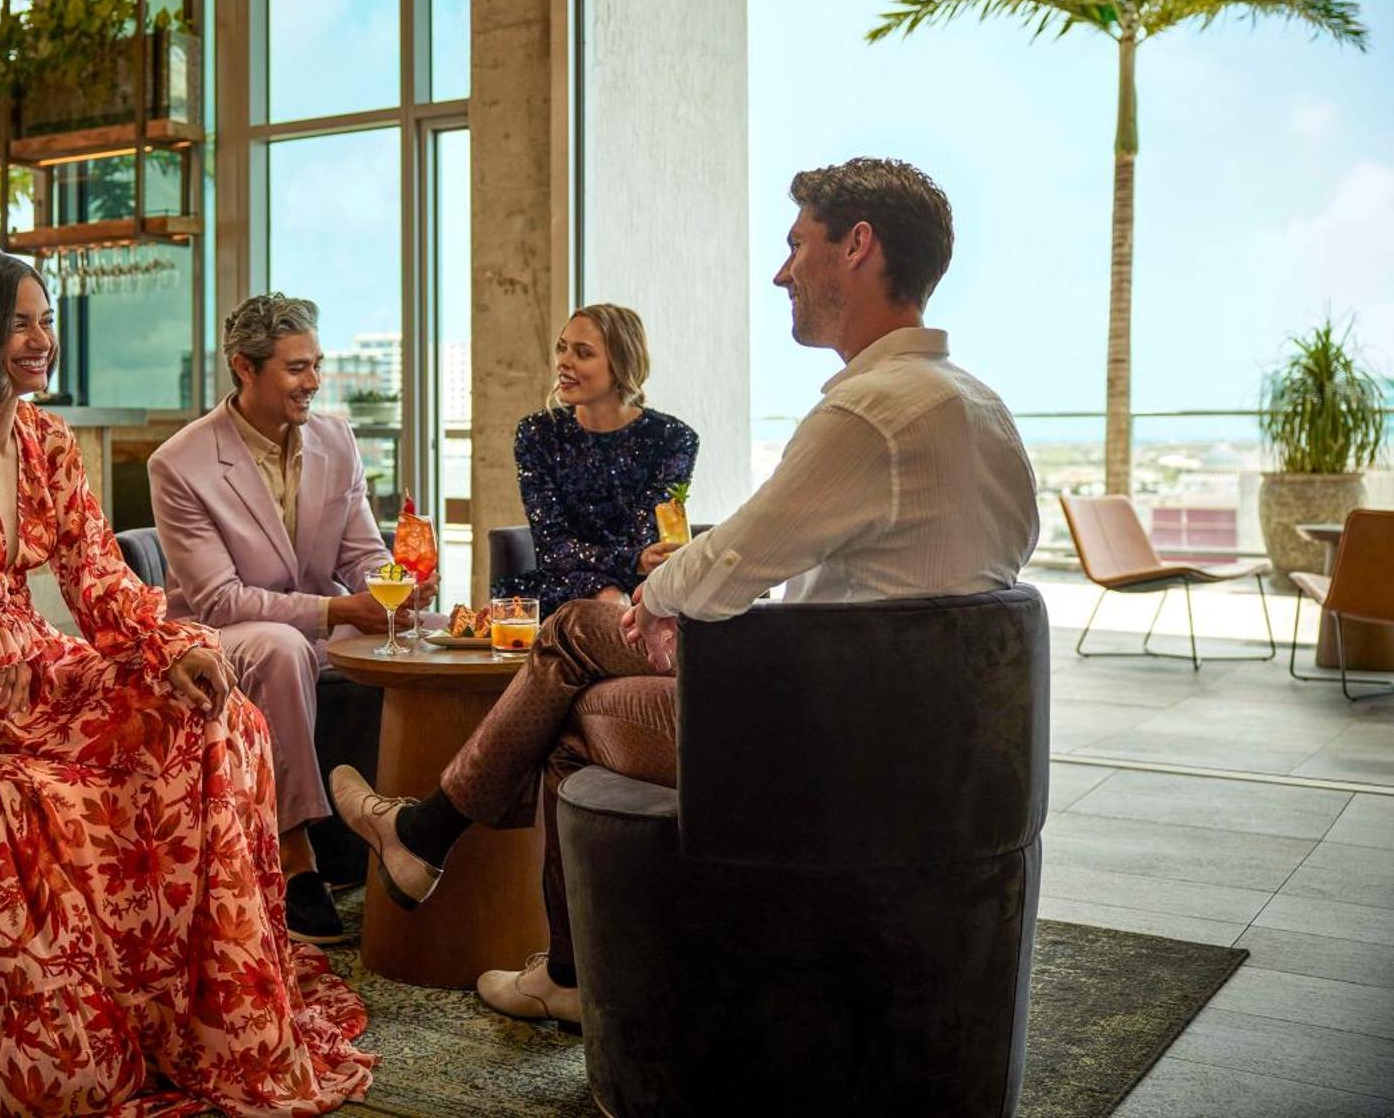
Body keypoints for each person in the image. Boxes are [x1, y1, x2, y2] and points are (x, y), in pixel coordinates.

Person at [332, 157, 1040, 1030]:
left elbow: (733, 556)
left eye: (795, 246)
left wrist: (653, 600)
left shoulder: (872, 411)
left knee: (575, 669)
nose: (782, 272)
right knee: (580, 647)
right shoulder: (981, 406)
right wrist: (668, 595)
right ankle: (465, 873)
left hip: (815, 739)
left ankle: (451, 858)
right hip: (925, 737)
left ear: (857, 247)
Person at [0, 251, 375, 1116]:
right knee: (44, 791)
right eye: (23, 322)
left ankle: (201, 1010)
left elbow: (99, 578)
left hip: (40, 661)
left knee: (221, 722)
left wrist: (167, 644)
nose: (43, 341)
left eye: (48, 321)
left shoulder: (48, 440)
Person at [148, 292, 432, 947]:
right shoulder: (179, 464)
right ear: (245, 368)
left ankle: (411, 832)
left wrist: (398, 592)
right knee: (281, 649)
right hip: (223, 635)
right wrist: (338, 609)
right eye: (296, 368)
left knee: (434, 631)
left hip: (311, 625)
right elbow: (219, 599)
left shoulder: (335, 439)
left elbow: (362, 555)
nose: (314, 382)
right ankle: (296, 858)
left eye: (317, 364)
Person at [494, 304, 699, 610]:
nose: (564, 362)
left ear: (621, 364)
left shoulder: (673, 438)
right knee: (610, 600)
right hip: (562, 584)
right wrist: (630, 564)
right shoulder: (537, 434)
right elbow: (553, 548)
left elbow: (646, 540)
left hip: (643, 586)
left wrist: (634, 564)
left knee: (630, 601)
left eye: (583, 353)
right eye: (562, 349)